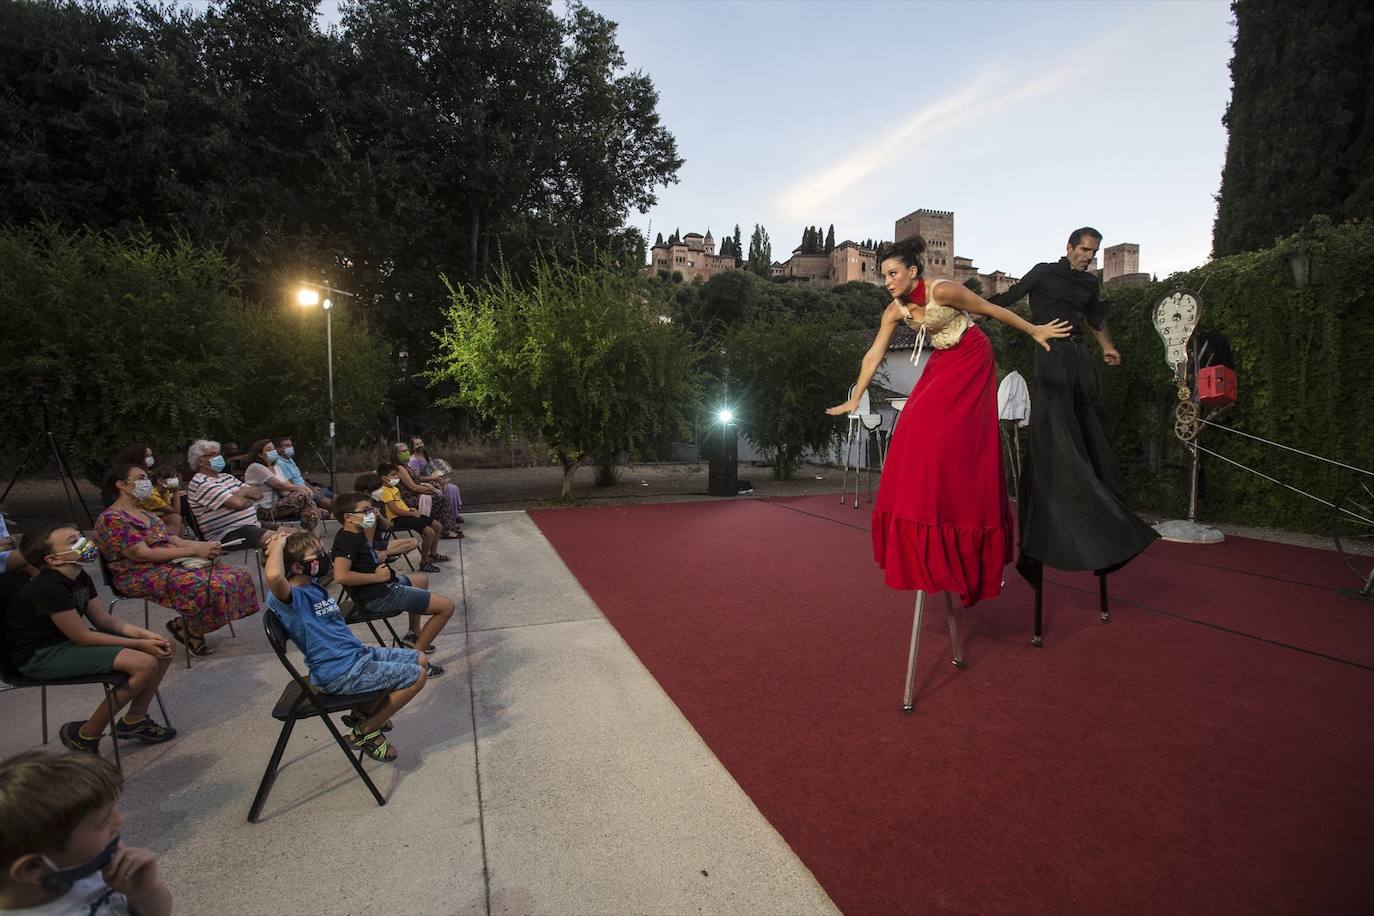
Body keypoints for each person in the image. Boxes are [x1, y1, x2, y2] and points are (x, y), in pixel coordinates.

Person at [827, 235, 1071, 606]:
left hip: (973, 357)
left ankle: (964, 518)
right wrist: (857, 396)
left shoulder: (943, 290)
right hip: (943, 360)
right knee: (909, 427)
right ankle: (926, 513)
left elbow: (991, 310)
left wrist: (1034, 330)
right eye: (884, 274)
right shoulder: (895, 310)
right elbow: (873, 355)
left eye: (894, 273)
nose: (888, 280)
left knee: (949, 438)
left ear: (913, 271)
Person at [987, 228, 1159, 635]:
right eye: (1084, 250)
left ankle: (1098, 496)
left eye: (1094, 253)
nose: (1089, 257)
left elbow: (1097, 317)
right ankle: (1066, 483)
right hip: (1050, 356)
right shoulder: (1044, 273)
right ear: (1068, 248)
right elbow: (1006, 301)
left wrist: (1108, 348)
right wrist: (964, 307)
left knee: (1089, 428)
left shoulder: (1088, 282)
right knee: (1057, 428)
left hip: (1081, 358)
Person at [3, 526, 177, 753]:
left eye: (80, 537)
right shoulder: (48, 587)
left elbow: (104, 620)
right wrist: (139, 644)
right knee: (144, 663)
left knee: (164, 645)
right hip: (40, 655)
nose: (83, 542)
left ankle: (135, 719)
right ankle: (85, 735)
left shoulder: (79, 575)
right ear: (53, 559)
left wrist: (145, 635)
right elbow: (82, 636)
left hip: (68, 642)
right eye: (72, 541)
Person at [265, 530, 430, 762]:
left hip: (356, 656)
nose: (324, 556)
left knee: (420, 658)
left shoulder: (312, 586)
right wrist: (277, 547)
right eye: (317, 554)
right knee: (417, 676)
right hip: (339, 671)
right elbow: (273, 576)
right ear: (296, 567)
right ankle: (366, 730)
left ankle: (362, 714)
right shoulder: (291, 599)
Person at [93, 464, 260, 657]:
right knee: (208, 586)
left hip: (168, 565)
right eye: (140, 478)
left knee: (238, 576)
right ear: (121, 485)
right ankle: (191, 628)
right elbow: (140, 554)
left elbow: (172, 539)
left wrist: (201, 547)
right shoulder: (112, 518)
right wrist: (191, 550)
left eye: (146, 478)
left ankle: (187, 626)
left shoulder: (145, 513)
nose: (147, 482)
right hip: (139, 573)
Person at [0, 750, 173, 916]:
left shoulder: (85, 866)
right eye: (104, 820)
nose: (119, 821)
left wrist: (146, 892)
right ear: (33, 867)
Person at [329, 494, 454, 663]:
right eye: (366, 511)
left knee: (420, 580)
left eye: (371, 509)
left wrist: (375, 558)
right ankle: (415, 659)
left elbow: (377, 536)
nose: (371, 513)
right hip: (379, 595)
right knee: (446, 607)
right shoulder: (347, 540)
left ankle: (413, 635)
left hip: (384, 586)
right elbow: (341, 576)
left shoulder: (356, 532)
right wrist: (376, 576)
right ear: (348, 517)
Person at [185, 439, 266, 547]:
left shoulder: (227, 477)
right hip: (229, 534)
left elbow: (258, 493)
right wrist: (243, 495)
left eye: (219, 454)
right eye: (213, 455)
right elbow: (238, 504)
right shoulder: (201, 482)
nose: (219, 458)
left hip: (252, 524)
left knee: (292, 534)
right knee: (284, 541)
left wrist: (234, 495)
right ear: (200, 461)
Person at [376, 463, 445, 571]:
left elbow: (400, 504)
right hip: (397, 519)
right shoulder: (384, 491)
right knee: (429, 532)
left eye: (396, 474)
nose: (397, 477)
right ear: (384, 478)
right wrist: (411, 513)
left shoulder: (394, 488)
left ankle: (433, 555)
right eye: (393, 475)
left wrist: (409, 509)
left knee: (438, 526)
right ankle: (424, 563)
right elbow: (395, 510)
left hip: (406, 513)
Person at [241, 439, 322, 531]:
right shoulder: (256, 467)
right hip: (264, 509)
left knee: (310, 512)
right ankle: (312, 539)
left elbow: (287, 485)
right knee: (305, 499)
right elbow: (279, 485)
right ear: (260, 454)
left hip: (279, 504)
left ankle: (314, 539)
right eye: (269, 450)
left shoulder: (276, 467)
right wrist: (302, 489)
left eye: (273, 449)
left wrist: (301, 492)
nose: (273, 452)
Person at [392, 444, 462, 538]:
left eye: (407, 450)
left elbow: (418, 478)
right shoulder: (399, 468)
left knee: (441, 496)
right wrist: (429, 490)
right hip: (409, 498)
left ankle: (446, 526)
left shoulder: (406, 466)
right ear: (396, 454)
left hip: (415, 494)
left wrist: (432, 479)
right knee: (441, 499)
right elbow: (413, 487)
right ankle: (446, 530)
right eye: (403, 451)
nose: (407, 452)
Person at [406, 436, 463, 522]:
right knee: (439, 493)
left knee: (453, 488)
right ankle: (444, 518)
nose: (419, 445)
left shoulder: (427, 458)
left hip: (433, 482)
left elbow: (433, 473)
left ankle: (454, 515)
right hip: (423, 485)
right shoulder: (413, 460)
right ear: (412, 447)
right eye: (416, 444)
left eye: (421, 443)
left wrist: (440, 479)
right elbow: (417, 478)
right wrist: (432, 478)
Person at [272, 436, 333, 509]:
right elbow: (290, 484)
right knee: (328, 503)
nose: (290, 448)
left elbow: (299, 478)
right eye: (287, 446)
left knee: (336, 498)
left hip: (307, 488)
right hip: (300, 492)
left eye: (291, 445)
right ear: (278, 449)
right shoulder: (280, 463)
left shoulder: (290, 460)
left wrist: (312, 487)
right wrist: (309, 490)